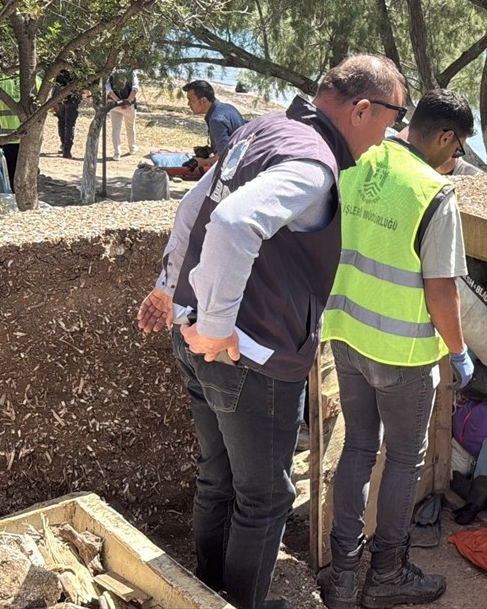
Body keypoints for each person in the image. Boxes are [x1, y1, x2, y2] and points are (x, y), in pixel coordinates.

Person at [135, 53, 408, 609]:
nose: (389, 137)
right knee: (265, 498)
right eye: (392, 120)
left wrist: (169, 287)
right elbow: (233, 223)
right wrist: (215, 328)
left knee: (217, 478)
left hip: (193, 338)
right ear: (362, 109)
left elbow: (196, 204)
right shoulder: (313, 163)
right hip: (248, 358)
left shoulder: (265, 129)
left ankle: (206, 593)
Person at [317, 89, 476, 609]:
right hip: (403, 356)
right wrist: (458, 352)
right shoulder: (435, 193)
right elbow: (442, 292)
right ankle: (386, 572)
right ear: (445, 138)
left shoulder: (363, 156)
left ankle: (341, 576)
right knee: (405, 461)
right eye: (457, 151)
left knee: (359, 448)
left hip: (346, 334)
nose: (456, 162)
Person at [182, 79, 247, 167]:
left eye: (191, 100)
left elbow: (225, 155)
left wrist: (204, 162)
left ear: (203, 100)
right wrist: (211, 150)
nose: (188, 104)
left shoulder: (216, 120)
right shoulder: (228, 108)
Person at [53, 68, 92, 158]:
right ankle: (67, 150)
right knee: (70, 125)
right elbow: (83, 84)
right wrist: (87, 95)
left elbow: (54, 85)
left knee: (62, 122)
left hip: (59, 99)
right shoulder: (77, 67)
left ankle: (63, 145)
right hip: (72, 100)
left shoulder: (58, 67)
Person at [105, 68, 139, 157]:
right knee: (130, 126)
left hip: (114, 105)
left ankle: (117, 153)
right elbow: (135, 88)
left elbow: (108, 90)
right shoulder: (131, 72)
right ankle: (132, 148)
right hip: (129, 106)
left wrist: (118, 101)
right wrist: (127, 101)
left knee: (116, 129)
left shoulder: (111, 72)